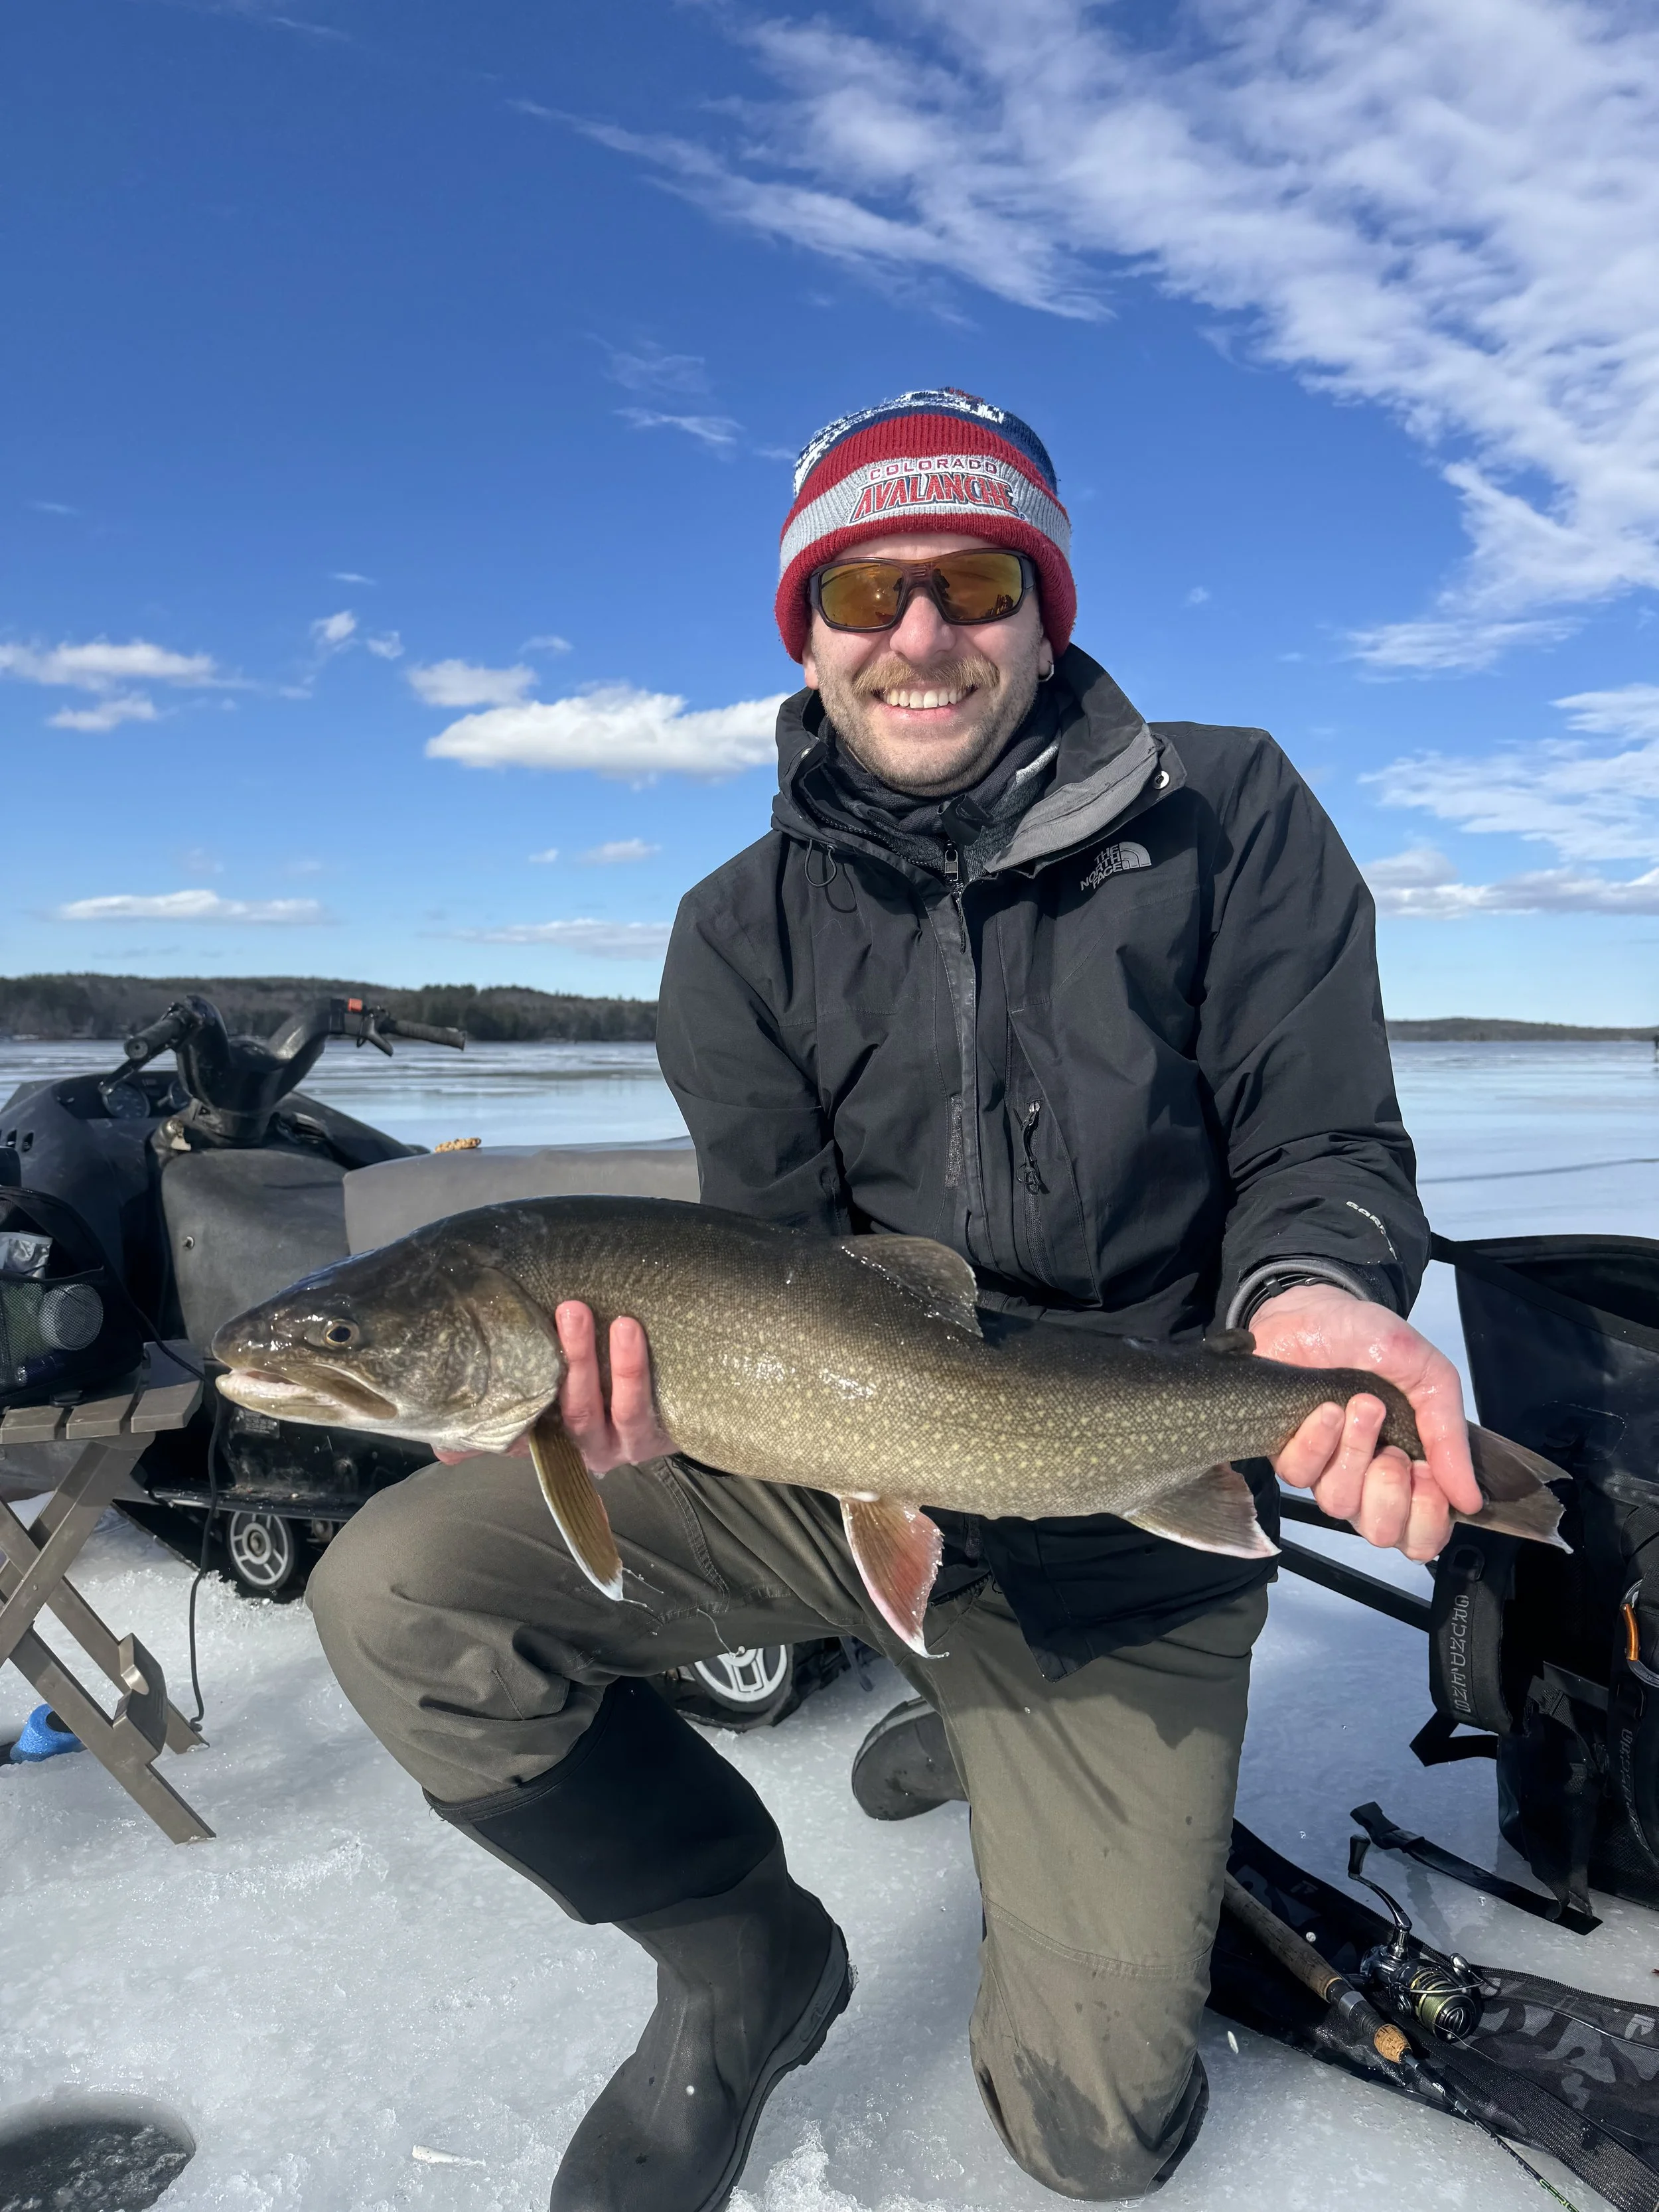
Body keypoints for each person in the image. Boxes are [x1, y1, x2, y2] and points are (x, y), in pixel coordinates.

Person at [309, 388, 1480, 2209]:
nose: (918, 632)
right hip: (845, 1461)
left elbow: (1319, 1130)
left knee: (1090, 2136)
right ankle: (741, 1948)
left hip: (1128, 1522)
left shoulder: (1227, 814)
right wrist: (637, 1421)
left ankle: (1009, 1731)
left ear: (1044, 603)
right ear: (806, 631)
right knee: (400, 1590)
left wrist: (1311, 1291)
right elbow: (780, 1269)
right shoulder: (734, 931)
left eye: (970, 577)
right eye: (860, 594)